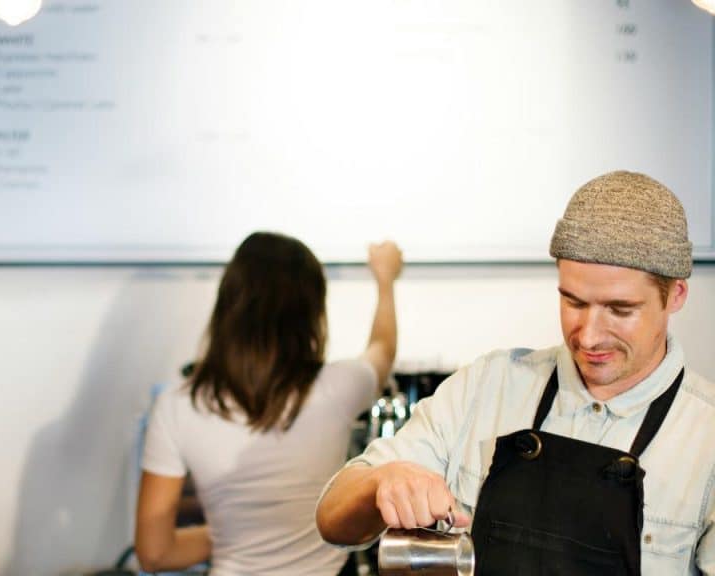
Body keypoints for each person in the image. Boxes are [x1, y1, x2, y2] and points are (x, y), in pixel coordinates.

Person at [316, 170, 715, 575]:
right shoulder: (489, 386)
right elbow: (332, 521)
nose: (590, 337)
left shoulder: (707, 435)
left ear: (676, 295)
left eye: (620, 310)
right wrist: (383, 481)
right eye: (574, 303)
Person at [135, 232, 403, 575]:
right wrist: (385, 280)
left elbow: (155, 554)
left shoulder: (176, 406)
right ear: (311, 313)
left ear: (227, 305)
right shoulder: (338, 387)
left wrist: (236, 535)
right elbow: (383, 348)